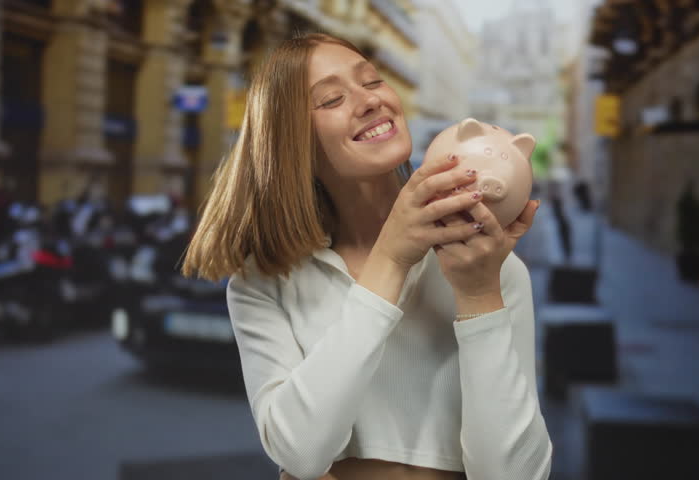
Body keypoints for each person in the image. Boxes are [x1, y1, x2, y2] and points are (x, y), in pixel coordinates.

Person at [182, 33, 552, 480]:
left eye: (372, 81)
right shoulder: (265, 279)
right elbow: (300, 452)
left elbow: (513, 475)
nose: (369, 100)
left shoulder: (486, 266)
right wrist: (390, 261)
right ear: (291, 141)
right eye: (332, 98)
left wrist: (478, 297)